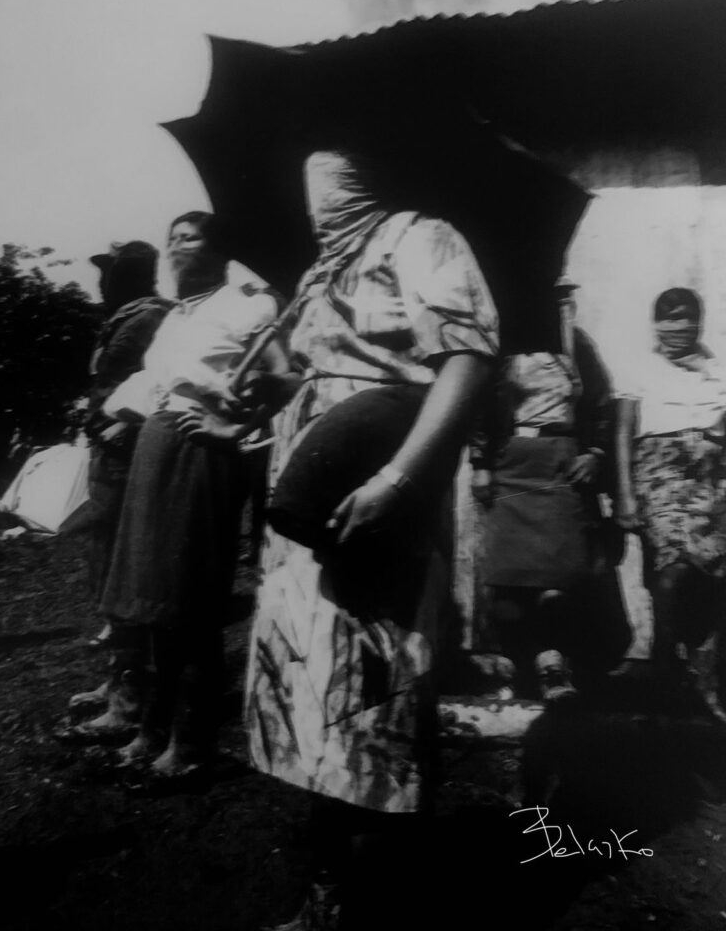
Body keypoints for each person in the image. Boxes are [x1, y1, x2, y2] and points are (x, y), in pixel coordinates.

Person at [239, 150, 499, 929]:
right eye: (312, 171)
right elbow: (325, 373)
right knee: (313, 694)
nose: (319, 188)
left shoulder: (421, 238)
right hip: (314, 494)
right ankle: (332, 891)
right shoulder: (321, 270)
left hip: (383, 485)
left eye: (338, 169)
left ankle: (373, 902)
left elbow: (466, 361)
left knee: (372, 697)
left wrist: (400, 481)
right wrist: (278, 385)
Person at [97, 211, 281, 783]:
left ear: (221, 250)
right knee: (152, 597)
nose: (176, 247)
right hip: (157, 446)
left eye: (190, 237)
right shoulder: (179, 315)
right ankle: (152, 729)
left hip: (202, 452)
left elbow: (289, 377)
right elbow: (154, 384)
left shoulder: (250, 307)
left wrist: (238, 425)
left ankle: (191, 741)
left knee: (188, 600)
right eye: (171, 238)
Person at [472, 275, 625, 704]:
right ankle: (522, 668)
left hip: (561, 464)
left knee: (560, 577)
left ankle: (555, 666)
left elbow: (602, 403)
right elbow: (481, 407)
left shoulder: (576, 345)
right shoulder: (499, 347)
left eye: (560, 298)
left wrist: (595, 452)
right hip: (512, 464)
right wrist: (480, 464)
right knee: (509, 582)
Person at [68, 241, 172, 732]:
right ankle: (119, 679)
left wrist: (125, 425)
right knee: (107, 566)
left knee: (127, 570)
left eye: (110, 276)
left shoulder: (151, 318)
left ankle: (131, 696)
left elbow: (162, 383)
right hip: (107, 456)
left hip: (128, 457)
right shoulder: (126, 317)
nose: (102, 285)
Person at [614, 287, 726, 702]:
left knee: (710, 571)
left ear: (699, 322)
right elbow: (623, 431)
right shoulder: (636, 367)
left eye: (686, 318)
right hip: (660, 473)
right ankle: (665, 658)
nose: (678, 328)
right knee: (671, 569)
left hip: (711, 477)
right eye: (669, 318)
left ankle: (701, 673)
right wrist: (625, 494)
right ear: (655, 324)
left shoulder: (716, 367)